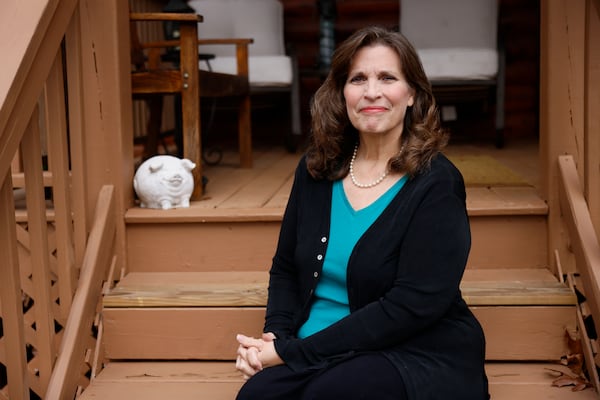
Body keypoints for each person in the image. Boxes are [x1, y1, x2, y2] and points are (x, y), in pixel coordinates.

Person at [234, 25, 490, 400]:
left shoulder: (436, 183)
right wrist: (275, 336)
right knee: (255, 397)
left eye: (387, 78)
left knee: (331, 394)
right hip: (316, 349)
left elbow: (411, 308)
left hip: (412, 349)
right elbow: (286, 266)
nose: (372, 92)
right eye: (358, 79)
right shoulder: (316, 169)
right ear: (341, 93)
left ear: (411, 95)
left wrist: (290, 353)